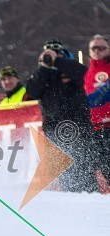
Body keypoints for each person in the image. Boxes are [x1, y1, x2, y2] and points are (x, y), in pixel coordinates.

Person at [26, 38, 99, 193]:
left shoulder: (71, 68)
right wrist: (44, 67)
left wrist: (58, 61)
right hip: (55, 131)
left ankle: (91, 199)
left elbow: (84, 75)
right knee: (66, 175)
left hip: (79, 128)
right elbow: (32, 91)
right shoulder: (42, 74)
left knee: (85, 170)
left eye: (56, 51)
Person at [84, 34, 110, 185]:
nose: (98, 51)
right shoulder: (87, 73)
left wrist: (86, 101)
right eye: (94, 48)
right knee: (104, 169)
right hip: (94, 128)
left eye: (102, 48)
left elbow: (101, 95)